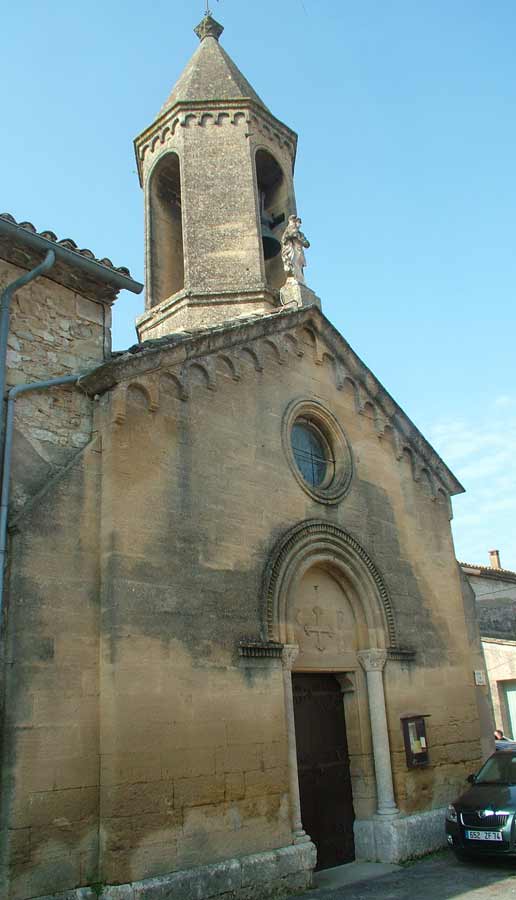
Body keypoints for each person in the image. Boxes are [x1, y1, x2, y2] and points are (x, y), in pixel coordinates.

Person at [281, 215, 310, 283]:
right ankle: (294, 277)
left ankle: (300, 279)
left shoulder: (301, 234)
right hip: (292, 250)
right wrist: (293, 235)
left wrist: (300, 240)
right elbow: (284, 239)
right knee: (293, 263)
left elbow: (307, 244)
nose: (299, 224)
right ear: (294, 222)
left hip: (299, 251)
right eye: (298, 222)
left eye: (300, 223)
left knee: (299, 266)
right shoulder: (289, 230)